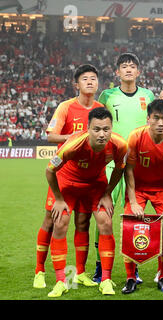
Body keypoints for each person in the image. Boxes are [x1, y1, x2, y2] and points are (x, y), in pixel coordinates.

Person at [33, 64, 103, 289]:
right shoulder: (66, 107)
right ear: (77, 84)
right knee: (52, 221)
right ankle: (40, 271)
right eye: (85, 79)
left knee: (83, 222)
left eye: (93, 78)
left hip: (89, 177)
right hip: (64, 175)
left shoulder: (100, 109)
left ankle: (80, 273)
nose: (90, 82)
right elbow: (50, 135)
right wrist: (69, 137)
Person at [45, 107, 128, 297]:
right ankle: (61, 282)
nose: (101, 134)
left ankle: (105, 280)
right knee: (60, 224)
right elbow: (49, 171)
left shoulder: (119, 144)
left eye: (106, 129)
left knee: (105, 222)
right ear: (88, 128)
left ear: (111, 128)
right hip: (68, 184)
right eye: (96, 129)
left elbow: (119, 169)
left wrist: (107, 193)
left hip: (96, 185)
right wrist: (58, 199)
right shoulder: (73, 144)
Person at [94, 53, 155, 283]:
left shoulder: (148, 95)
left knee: (133, 216)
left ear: (138, 72)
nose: (128, 69)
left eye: (132, 66)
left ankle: (134, 269)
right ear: (117, 72)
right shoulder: (107, 95)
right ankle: (100, 268)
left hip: (138, 164)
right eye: (124, 66)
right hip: (110, 163)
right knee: (103, 215)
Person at [122, 99, 163, 294]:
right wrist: (133, 202)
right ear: (148, 118)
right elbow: (129, 170)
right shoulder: (135, 137)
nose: (160, 123)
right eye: (156, 118)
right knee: (130, 225)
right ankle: (131, 278)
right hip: (138, 188)